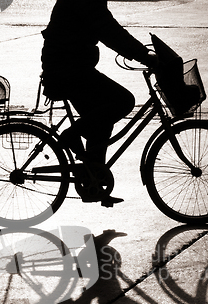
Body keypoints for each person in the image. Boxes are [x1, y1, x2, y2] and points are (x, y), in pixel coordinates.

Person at [41, 0, 158, 205]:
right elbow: (107, 29)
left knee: (101, 119)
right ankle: (70, 135)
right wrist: (143, 55)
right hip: (67, 70)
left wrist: (140, 53)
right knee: (123, 100)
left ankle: (94, 183)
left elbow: (106, 27)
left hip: (71, 66)